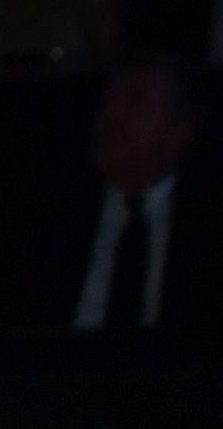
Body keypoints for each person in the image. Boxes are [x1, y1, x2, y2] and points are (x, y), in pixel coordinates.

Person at [74, 54, 208, 333]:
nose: (112, 116)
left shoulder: (216, 228)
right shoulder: (54, 217)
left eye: (134, 101)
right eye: (107, 103)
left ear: (179, 132)